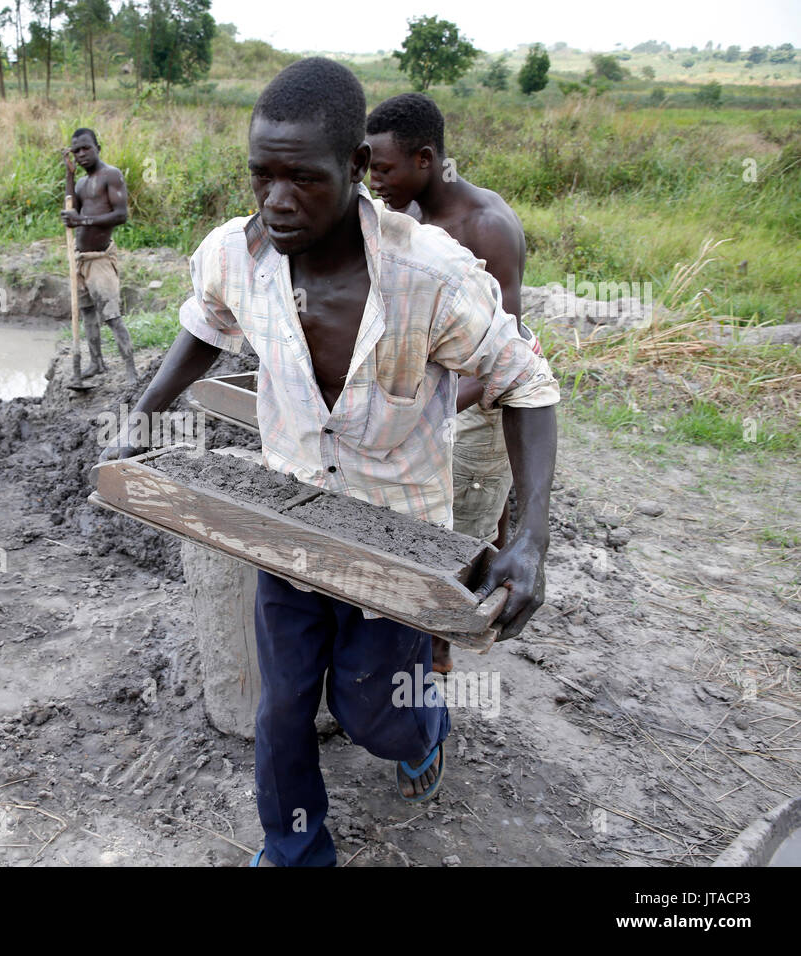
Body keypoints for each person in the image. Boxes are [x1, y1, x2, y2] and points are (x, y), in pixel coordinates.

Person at [98, 58, 559, 867]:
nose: (276, 200)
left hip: (399, 531)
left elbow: (528, 381)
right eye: (261, 177)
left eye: (301, 179)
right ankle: (295, 850)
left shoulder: (431, 277)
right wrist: (141, 417)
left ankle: (424, 729)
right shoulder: (233, 258)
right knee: (280, 708)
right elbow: (205, 325)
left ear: (355, 171)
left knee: (370, 711)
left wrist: (531, 539)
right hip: (291, 515)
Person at [366, 92, 540, 675]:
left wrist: (417, 411)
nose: (374, 181)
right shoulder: (410, 218)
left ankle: (433, 675)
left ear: (424, 158)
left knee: (451, 547)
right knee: (424, 530)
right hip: (433, 401)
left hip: (479, 408)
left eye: (384, 169)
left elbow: (498, 363)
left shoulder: (486, 227)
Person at [62, 128, 138, 384]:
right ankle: (96, 363)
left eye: (86, 148)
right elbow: (71, 208)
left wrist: (82, 219)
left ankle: (131, 371)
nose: (81, 154)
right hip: (80, 259)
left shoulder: (111, 175)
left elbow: (120, 215)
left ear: (98, 148)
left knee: (112, 316)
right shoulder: (81, 183)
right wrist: (70, 176)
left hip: (101, 259)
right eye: (76, 151)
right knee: (87, 314)